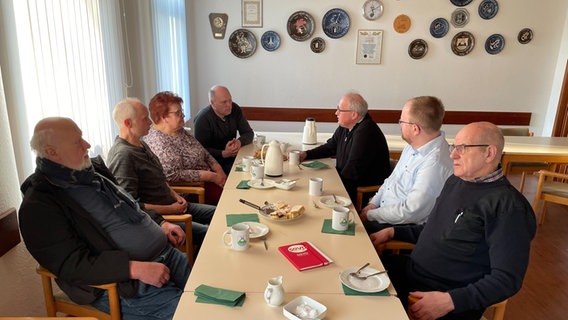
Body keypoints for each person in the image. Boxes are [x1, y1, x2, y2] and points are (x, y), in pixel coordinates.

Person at [19, 117, 190, 319]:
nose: (87, 144)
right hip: (126, 283)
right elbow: (71, 264)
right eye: (77, 141)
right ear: (51, 152)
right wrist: (133, 269)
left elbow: (131, 205)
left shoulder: (91, 172)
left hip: (167, 255)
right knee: (194, 314)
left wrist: (161, 222)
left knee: (214, 296)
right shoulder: (39, 205)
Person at [371, 122, 537, 320]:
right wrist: (393, 232)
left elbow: (507, 279)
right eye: (454, 147)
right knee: (354, 275)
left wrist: (450, 301)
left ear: (489, 153)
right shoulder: (456, 181)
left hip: (443, 298)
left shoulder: (508, 207)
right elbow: (436, 230)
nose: (452, 155)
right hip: (413, 273)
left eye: (462, 148)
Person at [107, 98, 216, 253]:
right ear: (128, 123)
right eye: (145, 118)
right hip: (162, 218)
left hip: (174, 204)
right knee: (212, 234)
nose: (150, 122)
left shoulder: (140, 143)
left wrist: (174, 195)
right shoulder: (123, 156)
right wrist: (170, 208)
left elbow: (160, 178)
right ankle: (202, 272)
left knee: (219, 215)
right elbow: (131, 205)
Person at [360, 96, 453, 233]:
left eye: (401, 121)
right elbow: (392, 180)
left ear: (415, 129)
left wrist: (370, 215)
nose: (400, 125)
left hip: (401, 226)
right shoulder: (413, 145)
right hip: (382, 212)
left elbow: (410, 212)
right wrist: (373, 203)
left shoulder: (435, 163)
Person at [299, 92, 391, 203]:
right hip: (346, 183)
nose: (336, 113)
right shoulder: (346, 126)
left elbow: (352, 171)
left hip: (362, 194)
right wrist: (306, 154)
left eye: (340, 110)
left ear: (354, 115)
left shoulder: (367, 133)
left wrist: (329, 185)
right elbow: (330, 147)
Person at [143, 91, 226, 205]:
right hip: (190, 191)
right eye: (178, 113)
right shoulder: (158, 143)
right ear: (163, 117)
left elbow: (203, 152)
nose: (183, 115)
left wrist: (218, 170)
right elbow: (173, 175)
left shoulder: (178, 130)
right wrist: (211, 176)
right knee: (230, 201)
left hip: (208, 179)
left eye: (181, 111)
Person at [193, 85, 254, 175]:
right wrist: (223, 153)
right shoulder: (202, 119)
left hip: (234, 158)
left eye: (230, 100)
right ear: (212, 103)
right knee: (244, 174)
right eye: (224, 102)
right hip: (214, 164)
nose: (229, 105)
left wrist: (239, 142)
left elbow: (249, 133)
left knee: (255, 167)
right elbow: (200, 152)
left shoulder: (235, 109)